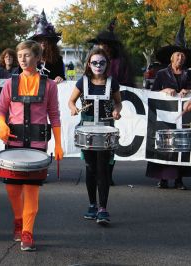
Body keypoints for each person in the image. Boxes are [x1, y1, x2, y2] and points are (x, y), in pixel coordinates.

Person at [0, 40, 63, 251]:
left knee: (31, 190)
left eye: (27, 55)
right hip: (13, 142)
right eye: (20, 55)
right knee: (13, 189)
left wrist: (59, 143)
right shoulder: (9, 83)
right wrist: (1, 124)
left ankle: (27, 232)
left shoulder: (50, 85)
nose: (23, 59)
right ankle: (18, 218)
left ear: (37, 58)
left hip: (37, 144)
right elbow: (0, 111)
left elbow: (54, 115)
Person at [68, 47, 122, 225]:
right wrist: (73, 108)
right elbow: (71, 101)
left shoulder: (112, 83)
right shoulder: (82, 82)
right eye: (94, 62)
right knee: (91, 168)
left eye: (102, 62)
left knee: (103, 169)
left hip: (106, 129)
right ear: (89, 64)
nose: (98, 65)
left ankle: (103, 208)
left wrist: (116, 110)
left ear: (107, 64)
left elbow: (118, 103)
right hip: (88, 130)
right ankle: (92, 204)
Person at [146, 50, 190, 190]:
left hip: (183, 115)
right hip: (165, 115)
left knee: (181, 145)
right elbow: (152, 93)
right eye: (177, 55)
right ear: (171, 58)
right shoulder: (161, 73)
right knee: (164, 144)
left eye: (182, 56)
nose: (180, 57)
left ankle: (179, 180)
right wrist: (164, 91)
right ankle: (162, 179)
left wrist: (188, 91)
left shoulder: (188, 74)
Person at [30, 9, 65, 83]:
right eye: (40, 39)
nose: (42, 42)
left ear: (50, 41)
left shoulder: (57, 59)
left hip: (51, 91)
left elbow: (62, 76)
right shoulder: (30, 57)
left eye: (45, 39)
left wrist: (60, 77)